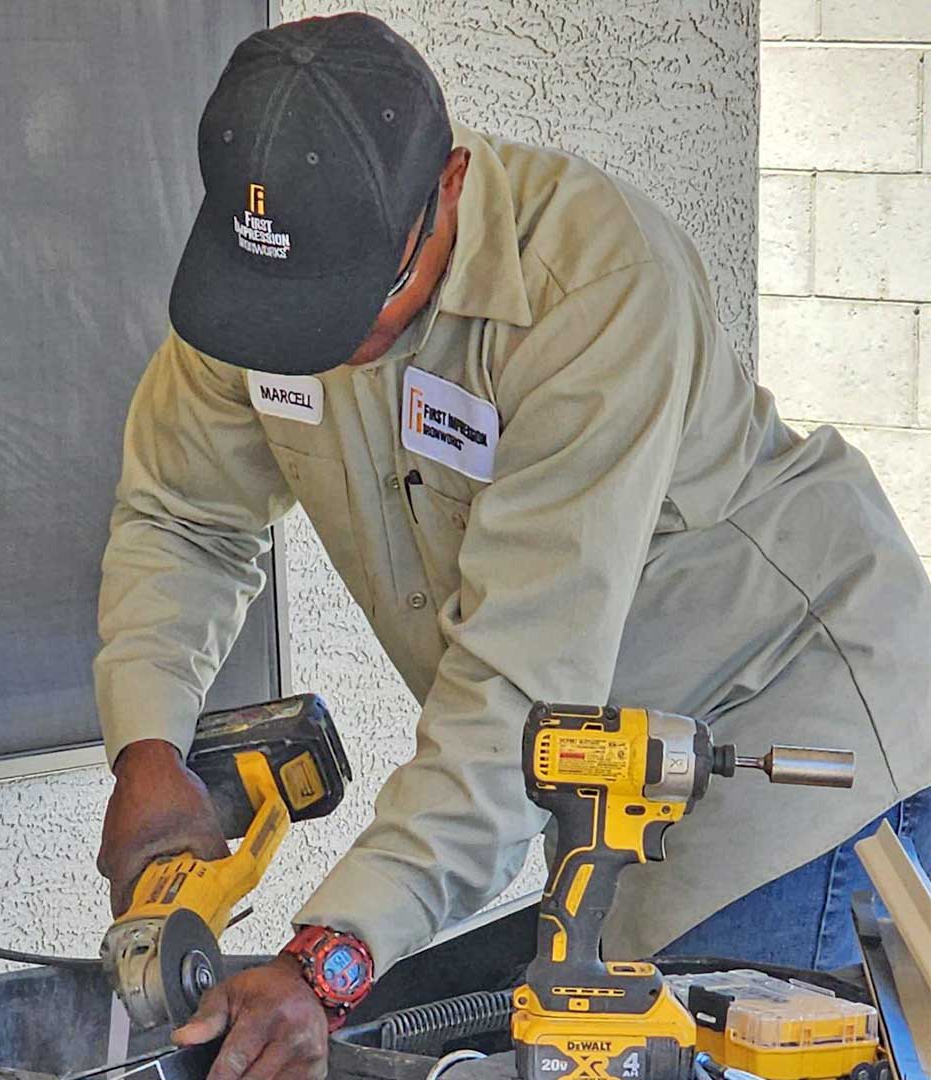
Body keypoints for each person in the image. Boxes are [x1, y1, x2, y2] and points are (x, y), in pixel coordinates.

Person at [94, 12, 931, 1080]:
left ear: (447, 189)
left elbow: (517, 688)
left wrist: (327, 964)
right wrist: (149, 746)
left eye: (360, 305)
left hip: (792, 757)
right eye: (288, 313)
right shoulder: (270, 288)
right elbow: (184, 516)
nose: (331, 348)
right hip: (606, 784)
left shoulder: (595, 292)